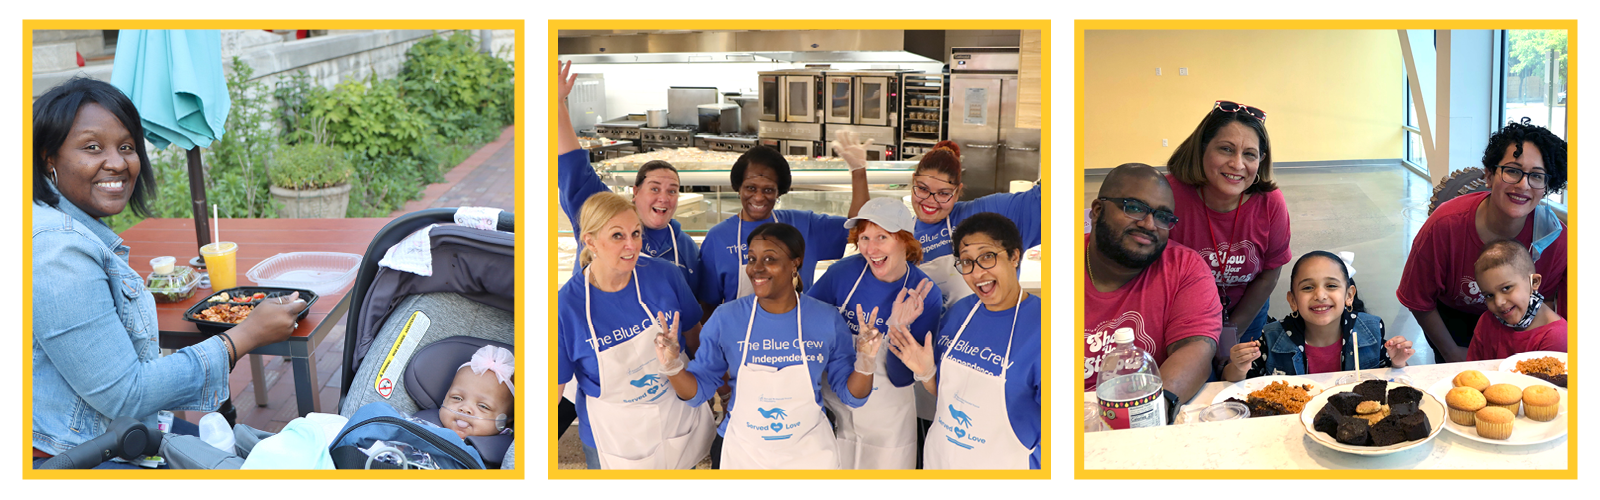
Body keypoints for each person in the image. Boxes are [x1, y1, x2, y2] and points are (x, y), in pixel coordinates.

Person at [31, 77, 307, 468]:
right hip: (75, 453)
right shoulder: (54, 250)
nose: (117, 162)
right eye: (92, 147)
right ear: (47, 157)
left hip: (119, 428)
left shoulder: (62, 227)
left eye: (126, 147)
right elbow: (126, 394)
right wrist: (242, 336)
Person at [656, 223, 880, 470]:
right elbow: (697, 394)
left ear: (795, 263)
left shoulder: (826, 319)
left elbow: (852, 396)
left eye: (770, 259)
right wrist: (672, 366)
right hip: (743, 454)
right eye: (752, 259)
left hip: (810, 455)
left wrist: (866, 363)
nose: (756, 268)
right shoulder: (726, 319)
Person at [557, 192, 712, 469]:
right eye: (618, 236)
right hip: (614, 437)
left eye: (636, 233)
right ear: (590, 241)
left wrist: (706, 390)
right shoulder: (564, 308)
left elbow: (694, 335)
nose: (632, 245)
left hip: (675, 416)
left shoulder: (664, 274)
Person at [1398, 121, 1568, 363]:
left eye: (1537, 176)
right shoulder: (1445, 225)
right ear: (1489, 175)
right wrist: (1451, 352)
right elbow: (1418, 298)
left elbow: (1545, 302)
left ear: (1546, 187)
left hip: (1520, 328)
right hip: (1455, 324)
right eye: (1512, 170)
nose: (1523, 185)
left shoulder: (1554, 239)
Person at [887, 212, 1041, 469]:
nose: (977, 272)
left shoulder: (1045, 327)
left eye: (987, 257)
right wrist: (927, 374)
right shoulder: (960, 313)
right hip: (942, 460)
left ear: (1014, 257)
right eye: (966, 262)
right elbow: (949, 393)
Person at [808, 197, 942, 469]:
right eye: (865, 237)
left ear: (905, 240)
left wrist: (897, 330)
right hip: (836, 402)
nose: (871, 248)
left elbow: (901, 377)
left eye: (882, 236)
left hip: (888, 419)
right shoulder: (842, 273)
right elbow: (807, 326)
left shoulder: (924, 293)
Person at [1163, 100, 1290, 363]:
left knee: (1235, 382)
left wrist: (1234, 329)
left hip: (1245, 310)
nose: (1237, 164)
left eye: (1250, 154)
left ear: (1261, 160)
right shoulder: (1168, 194)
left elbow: (1269, 273)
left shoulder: (1270, 202)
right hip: (1179, 315)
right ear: (1202, 150)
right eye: (1225, 149)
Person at [1083, 163, 1220, 403]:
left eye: (1162, 217)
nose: (1149, 224)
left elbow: (1196, 349)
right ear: (1096, 210)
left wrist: (1149, 414)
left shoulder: (1184, 268)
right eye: (1134, 208)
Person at [557, 60, 699, 292]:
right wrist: (557, 104)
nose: (664, 197)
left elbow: (694, 305)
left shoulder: (686, 247)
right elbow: (572, 163)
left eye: (672, 190)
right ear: (635, 192)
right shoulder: (605, 215)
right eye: (654, 188)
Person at [694, 146, 852, 306]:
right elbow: (707, 306)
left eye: (768, 190)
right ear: (738, 187)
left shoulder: (804, 225)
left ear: (779, 192)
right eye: (751, 188)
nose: (758, 197)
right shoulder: (718, 238)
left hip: (799, 328)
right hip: (741, 331)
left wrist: (858, 171)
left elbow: (859, 226)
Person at [1223, 251, 1413, 381]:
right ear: (1293, 300)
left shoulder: (1370, 331)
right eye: (1307, 287)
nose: (1320, 295)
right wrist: (1239, 366)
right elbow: (1234, 380)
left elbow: (1388, 375)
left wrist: (1397, 361)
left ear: (1349, 296)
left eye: (1331, 285)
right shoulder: (1272, 338)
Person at [898, 141, 1041, 307]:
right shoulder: (902, 233)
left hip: (991, 329)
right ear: (913, 182)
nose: (930, 201)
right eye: (922, 189)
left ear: (957, 192)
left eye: (943, 193)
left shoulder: (986, 212)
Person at [1465, 240, 1567, 361]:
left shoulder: (1556, 337)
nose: (1499, 302)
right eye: (1489, 296)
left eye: (1506, 288)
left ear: (1534, 282)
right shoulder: (1487, 321)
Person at [438, 345, 515, 439]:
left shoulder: (500, 451)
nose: (465, 409)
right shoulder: (425, 423)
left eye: (483, 406)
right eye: (457, 398)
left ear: (506, 422)